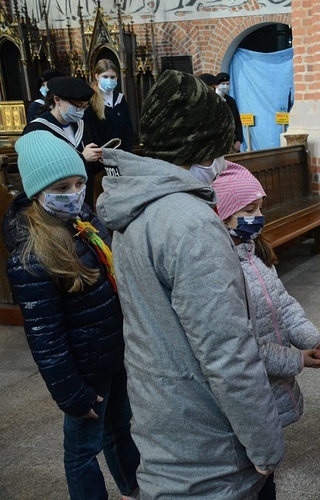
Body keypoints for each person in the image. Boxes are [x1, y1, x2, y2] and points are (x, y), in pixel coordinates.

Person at [95, 70, 284, 497]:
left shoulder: (136, 205)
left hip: (164, 422)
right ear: (203, 145)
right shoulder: (190, 223)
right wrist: (266, 444)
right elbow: (227, 352)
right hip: (207, 445)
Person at [4, 131, 139, 500]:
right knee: (82, 452)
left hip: (112, 356)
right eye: (63, 186)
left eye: (80, 182)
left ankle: (132, 489)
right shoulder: (31, 255)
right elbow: (46, 338)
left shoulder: (84, 224)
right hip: (82, 374)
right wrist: (71, 395)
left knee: (120, 429)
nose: (75, 192)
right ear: (37, 193)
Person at [212, 162, 320, 500]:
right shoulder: (222, 268)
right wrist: (297, 359)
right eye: (249, 209)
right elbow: (243, 345)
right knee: (247, 474)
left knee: (265, 475)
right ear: (222, 216)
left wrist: (312, 338)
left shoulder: (256, 253)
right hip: (246, 388)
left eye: (260, 208)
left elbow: (284, 304)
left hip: (269, 380)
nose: (259, 216)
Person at [23, 76, 103, 209]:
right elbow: (44, 171)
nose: (81, 111)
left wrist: (97, 159)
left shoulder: (80, 125)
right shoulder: (37, 129)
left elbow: (89, 167)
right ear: (57, 100)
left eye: (84, 107)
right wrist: (82, 158)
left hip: (83, 198)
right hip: (56, 202)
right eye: (77, 106)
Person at [85, 59, 135, 152]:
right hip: (100, 153)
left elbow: (128, 128)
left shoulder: (120, 99)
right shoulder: (90, 100)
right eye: (105, 76)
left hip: (122, 153)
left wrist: (127, 150)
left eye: (112, 77)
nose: (109, 80)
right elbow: (91, 131)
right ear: (97, 76)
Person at [215, 72, 244, 153]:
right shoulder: (212, 99)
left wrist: (238, 140)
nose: (225, 86)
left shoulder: (230, 101)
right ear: (216, 85)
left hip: (232, 142)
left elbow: (237, 121)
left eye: (227, 84)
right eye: (223, 84)